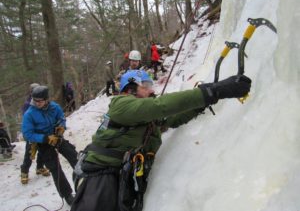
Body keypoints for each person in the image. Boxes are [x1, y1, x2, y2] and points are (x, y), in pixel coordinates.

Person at [71, 70, 252, 211]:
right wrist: (212, 91)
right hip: (100, 178)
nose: (152, 90)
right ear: (130, 88)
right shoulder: (121, 105)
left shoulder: (143, 116)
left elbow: (172, 119)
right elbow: (161, 106)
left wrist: (200, 105)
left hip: (123, 177)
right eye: (146, 85)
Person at [22, 86, 78, 206]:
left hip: (56, 136)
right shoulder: (29, 114)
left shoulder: (54, 107)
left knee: (74, 156)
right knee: (55, 168)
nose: (37, 103)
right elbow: (27, 133)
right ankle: (67, 195)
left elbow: (61, 118)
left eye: (40, 101)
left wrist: (61, 127)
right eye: (35, 101)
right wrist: (44, 138)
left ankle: (85, 181)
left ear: (46, 99)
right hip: (43, 142)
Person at [20, 83, 50, 185]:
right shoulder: (27, 104)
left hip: (42, 133)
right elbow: (26, 120)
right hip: (32, 134)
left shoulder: (43, 102)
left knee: (42, 152)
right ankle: (24, 172)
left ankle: (40, 167)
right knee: (29, 154)